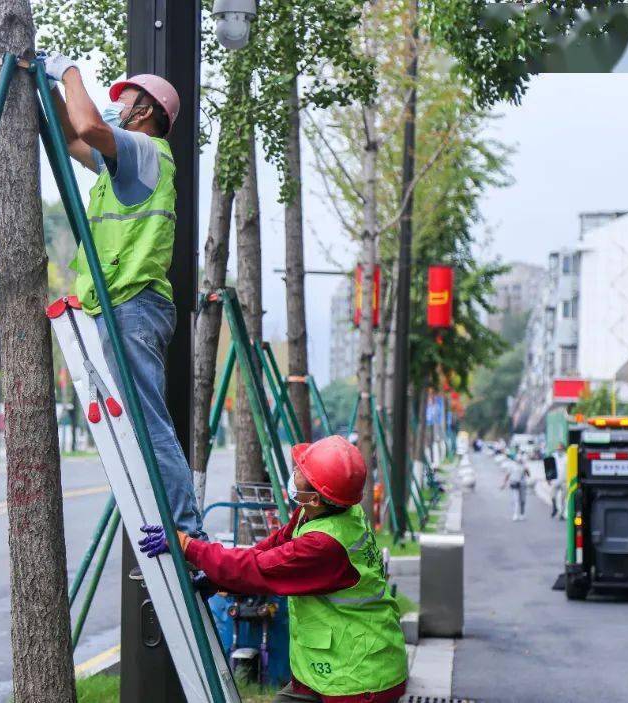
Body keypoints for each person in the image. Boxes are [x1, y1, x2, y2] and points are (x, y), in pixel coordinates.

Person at [43, 53, 204, 539]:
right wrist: (42, 85)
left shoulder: (146, 151)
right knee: (140, 423)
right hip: (122, 304)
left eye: (125, 100)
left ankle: (186, 533)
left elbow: (88, 127)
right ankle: (180, 526)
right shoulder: (123, 164)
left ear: (147, 111)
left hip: (133, 305)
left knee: (148, 423)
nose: (118, 108)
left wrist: (69, 71)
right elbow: (70, 137)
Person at [139, 436, 408, 703]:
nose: (296, 472)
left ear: (315, 497)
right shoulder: (321, 512)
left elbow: (260, 569)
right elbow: (269, 551)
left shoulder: (325, 545)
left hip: (358, 679)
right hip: (326, 671)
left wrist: (187, 545)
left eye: (302, 472)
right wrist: (219, 580)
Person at [500, 450, 531, 521]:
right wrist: (504, 484)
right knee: (516, 500)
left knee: (522, 500)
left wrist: (526, 469)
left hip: (522, 484)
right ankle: (515, 514)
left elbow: (529, 475)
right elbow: (507, 475)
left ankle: (522, 514)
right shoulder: (512, 465)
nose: (519, 460)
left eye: (520, 459)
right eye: (518, 459)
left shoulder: (524, 465)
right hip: (514, 483)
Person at [550, 443, 567, 520]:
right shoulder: (554, 456)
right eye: (558, 449)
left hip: (564, 480)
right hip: (555, 480)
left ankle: (562, 514)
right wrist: (548, 478)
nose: (559, 450)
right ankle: (555, 508)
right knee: (552, 496)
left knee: (563, 498)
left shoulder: (567, 457)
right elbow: (549, 467)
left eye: (560, 449)